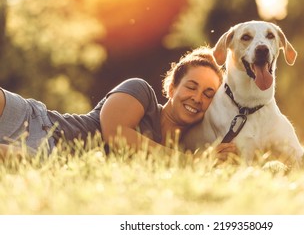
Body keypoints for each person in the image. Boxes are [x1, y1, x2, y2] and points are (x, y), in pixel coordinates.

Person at [0, 47, 238, 161]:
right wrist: (191, 163)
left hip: (42, 159)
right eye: (191, 86)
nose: (197, 98)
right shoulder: (141, 91)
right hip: (36, 122)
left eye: (209, 94)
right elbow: (116, 135)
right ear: (172, 88)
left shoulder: (184, 149)